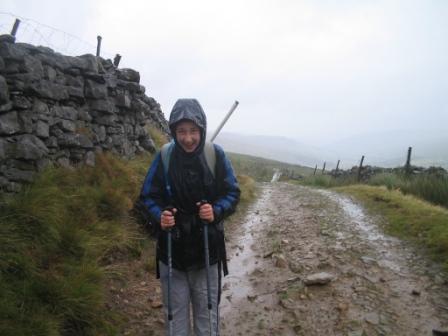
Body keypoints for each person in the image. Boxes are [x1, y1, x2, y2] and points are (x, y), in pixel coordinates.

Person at [140, 98, 240, 335]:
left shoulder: (215, 155)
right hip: (172, 253)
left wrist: (215, 211)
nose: (188, 138)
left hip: (208, 253)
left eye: (193, 131)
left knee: (208, 319)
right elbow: (147, 197)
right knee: (175, 320)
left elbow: (232, 192)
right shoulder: (164, 157)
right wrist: (160, 216)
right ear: (174, 131)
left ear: (202, 129)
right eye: (181, 131)